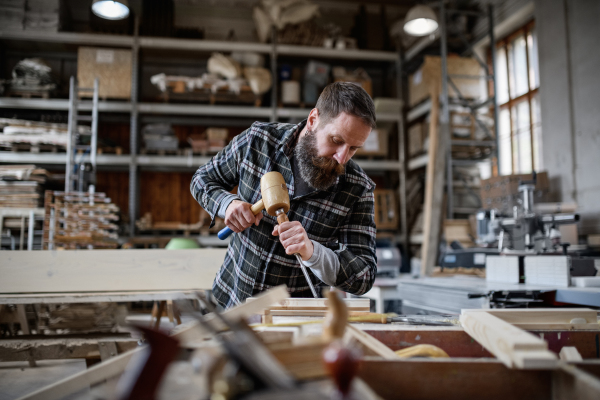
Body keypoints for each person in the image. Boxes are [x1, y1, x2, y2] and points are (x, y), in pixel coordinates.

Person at [191, 82, 377, 308]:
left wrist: (313, 252)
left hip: (294, 320)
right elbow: (201, 180)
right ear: (313, 120)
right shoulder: (258, 141)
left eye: (353, 148)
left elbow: (364, 275)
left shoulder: (358, 188)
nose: (342, 158)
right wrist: (227, 204)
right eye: (336, 141)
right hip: (230, 302)